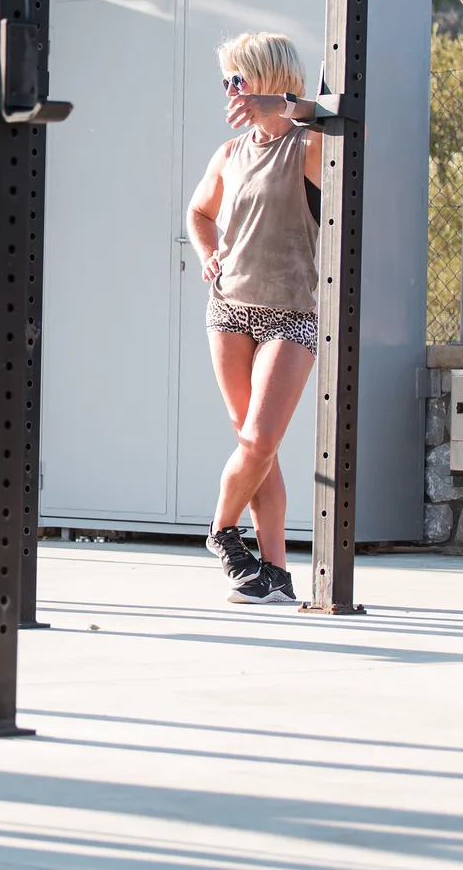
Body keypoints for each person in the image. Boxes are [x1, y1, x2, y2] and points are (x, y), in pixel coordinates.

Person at [184, 32, 322, 605]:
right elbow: (198, 211)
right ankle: (276, 573)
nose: (232, 92)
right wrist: (207, 252)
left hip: (292, 313)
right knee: (255, 446)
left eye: (240, 80)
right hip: (230, 311)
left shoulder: (310, 146)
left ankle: (219, 531)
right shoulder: (229, 152)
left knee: (261, 438)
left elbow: (341, 121)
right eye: (228, 82)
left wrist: (282, 108)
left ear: (269, 79)